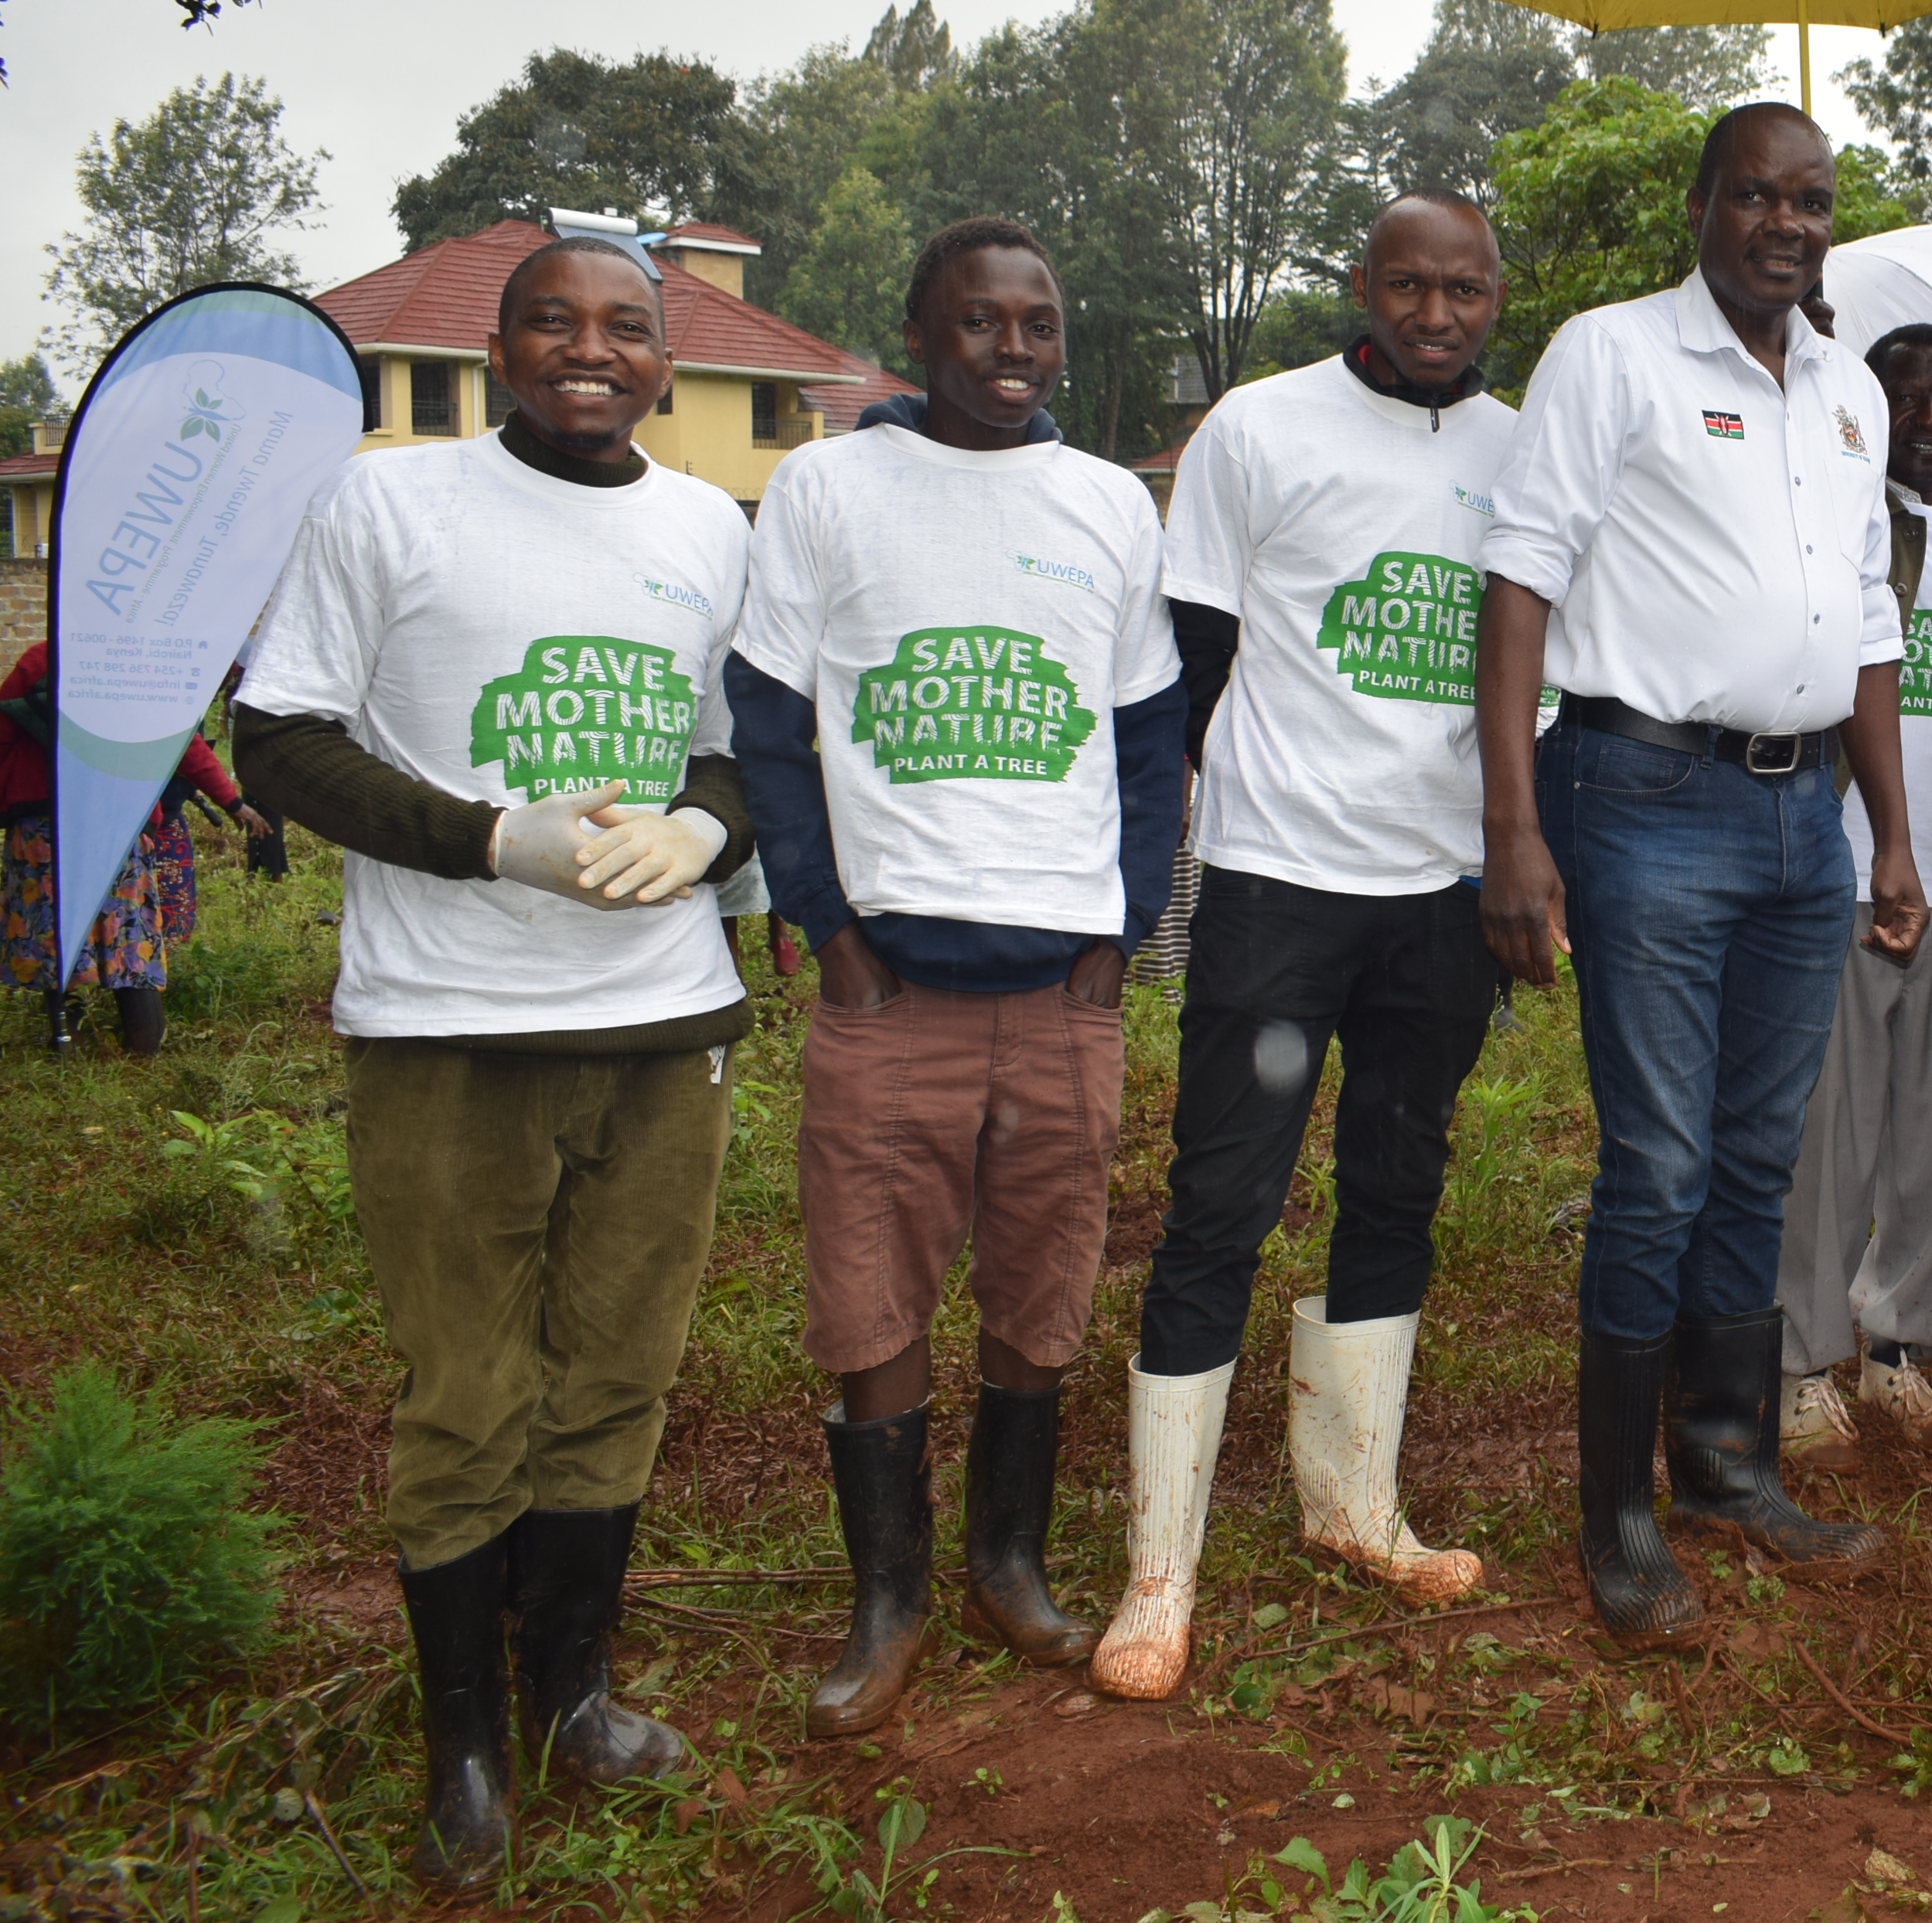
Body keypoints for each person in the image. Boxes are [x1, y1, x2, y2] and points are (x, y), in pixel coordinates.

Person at [230, 231, 755, 1887]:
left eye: (623, 328)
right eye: (554, 322)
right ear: (499, 345)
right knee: (467, 1395)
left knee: (617, 1375)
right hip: (449, 1028)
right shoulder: (389, 506)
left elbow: (744, 758)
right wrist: (490, 841)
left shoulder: (705, 532)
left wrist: (698, 825)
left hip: (663, 1028)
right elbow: (281, 738)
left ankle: (574, 1696)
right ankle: (461, 1741)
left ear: (664, 362)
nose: (588, 352)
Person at [1475, 101, 1925, 1649]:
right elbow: (1520, 581)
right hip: (1643, 796)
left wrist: (1894, 832)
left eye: (1810, 202)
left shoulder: (1851, 391)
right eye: (1756, 196)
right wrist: (1514, 826)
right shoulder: (1610, 357)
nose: (1786, 225)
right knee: (1658, 1164)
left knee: (1755, 1155)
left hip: (1809, 824)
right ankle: (1615, 1517)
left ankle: (1725, 1462)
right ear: (1701, 207)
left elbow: (1868, 623)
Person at [730, 217, 1185, 1733]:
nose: (1013, 348)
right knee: (870, 1302)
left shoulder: (1110, 504)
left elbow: (1144, 745)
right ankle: (890, 1602)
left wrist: (1117, 945)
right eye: (980, 322)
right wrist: (829, 935)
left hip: (1059, 992)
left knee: (1043, 1291)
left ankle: (1007, 1566)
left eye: (1038, 324)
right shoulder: (828, 488)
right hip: (891, 994)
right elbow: (768, 725)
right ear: (921, 335)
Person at [1088, 194, 1518, 1702]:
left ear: (1496, 297)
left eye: (1464, 287)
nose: (1437, 312)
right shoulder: (1258, 431)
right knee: (1221, 1199)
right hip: (1275, 881)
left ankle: (1355, 1509)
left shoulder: (1518, 452)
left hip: (1442, 895)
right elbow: (1186, 663)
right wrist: (1181, 845)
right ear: (1362, 286)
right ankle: (1162, 1572)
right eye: (1410, 283)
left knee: (1398, 1181)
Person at [1776, 323, 1932, 1466]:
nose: (1927, 420)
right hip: (1856, 862)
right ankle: (1801, 1362)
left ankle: (1899, 1348)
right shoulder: (1838, 521)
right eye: (1903, 398)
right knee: (1833, 1126)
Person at [0, 651, 264, 1053]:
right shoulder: (137, 662)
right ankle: (145, 1049)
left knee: (52, 927)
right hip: (118, 815)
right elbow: (181, 740)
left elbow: (3, 734)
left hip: (42, 816)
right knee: (128, 929)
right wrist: (231, 801)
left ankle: (65, 1041)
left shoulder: (42, 657)